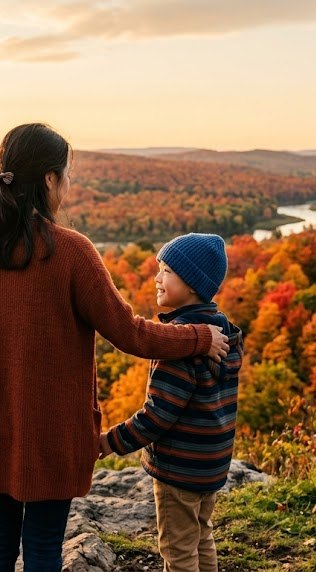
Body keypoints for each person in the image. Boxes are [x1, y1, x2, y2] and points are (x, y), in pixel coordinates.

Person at [0, 123, 229, 572]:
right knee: (41, 548)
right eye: (67, 175)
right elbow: (130, 333)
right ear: (49, 181)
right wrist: (199, 336)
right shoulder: (71, 252)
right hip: (51, 435)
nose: (68, 185)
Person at [99, 233, 244, 572]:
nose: (157, 278)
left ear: (192, 283)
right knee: (201, 536)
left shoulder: (179, 344)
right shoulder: (224, 332)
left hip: (178, 469)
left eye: (166, 270)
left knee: (177, 550)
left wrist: (111, 441)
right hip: (211, 465)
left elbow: (156, 415)